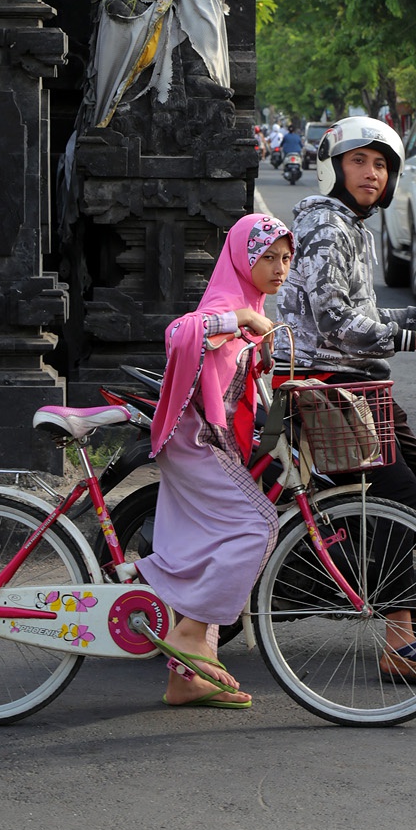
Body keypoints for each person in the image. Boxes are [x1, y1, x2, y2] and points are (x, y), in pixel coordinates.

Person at [275, 117, 416, 687]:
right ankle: (398, 639)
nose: (372, 173)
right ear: (334, 167)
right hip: (327, 384)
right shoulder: (326, 226)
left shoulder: (351, 226)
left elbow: (364, 313)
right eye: (359, 161)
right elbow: (337, 322)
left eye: (382, 164)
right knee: (399, 491)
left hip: (358, 383)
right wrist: (415, 338)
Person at [138, 212, 294, 708]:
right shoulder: (227, 305)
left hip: (215, 439)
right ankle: (192, 633)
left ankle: (184, 679)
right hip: (194, 440)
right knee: (256, 526)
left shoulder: (252, 304)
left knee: (217, 540)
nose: (279, 268)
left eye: (286, 258)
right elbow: (180, 334)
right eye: (267, 256)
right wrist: (239, 321)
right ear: (241, 257)